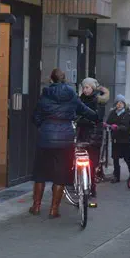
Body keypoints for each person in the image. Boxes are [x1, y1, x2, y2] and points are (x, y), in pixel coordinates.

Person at [30, 69, 98, 218]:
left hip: (45, 139)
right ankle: (54, 210)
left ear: (51, 79)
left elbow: (35, 116)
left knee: (40, 173)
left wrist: (43, 125)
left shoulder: (45, 95)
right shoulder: (72, 95)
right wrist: (96, 117)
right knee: (60, 174)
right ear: (65, 79)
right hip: (65, 139)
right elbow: (84, 110)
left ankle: (36, 206)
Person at [77, 78, 110, 197]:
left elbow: (97, 117)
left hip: (95, 135)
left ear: (93, 88)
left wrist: (83, 119)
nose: (85, 90)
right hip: (82, 133)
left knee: (92, 162)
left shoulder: (99, 100)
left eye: (88, 87)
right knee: (79, 159)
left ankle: (92, 187)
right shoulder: (80, 99)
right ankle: (78, 182)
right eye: (84, 87)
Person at [105, 94, 130, 184]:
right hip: (115, 139)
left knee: (127, 158)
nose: (119, 104)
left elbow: (127, 127)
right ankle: (116, 176)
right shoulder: (113, 113)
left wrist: (117, 127)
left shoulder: (127, 114)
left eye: (121, 103)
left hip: (124, 140)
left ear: (124, 104)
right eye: (118, 103)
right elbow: (108, 122)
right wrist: (107, 126)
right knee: (115, 158)